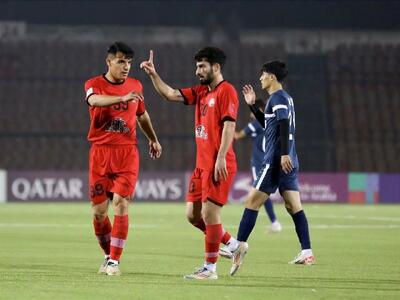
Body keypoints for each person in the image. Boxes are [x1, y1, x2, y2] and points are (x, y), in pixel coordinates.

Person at [141, 47, 240, 280]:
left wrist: (221, 157)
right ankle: (234, 245)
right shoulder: (201, 92)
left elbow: (229, 126)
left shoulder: (227, 91)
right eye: (196, 66)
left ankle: (210, 269)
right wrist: (154, 75)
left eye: (202, 66)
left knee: (209, 214)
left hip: (218, 163)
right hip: (201, 165)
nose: (197, 71)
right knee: (192, 215)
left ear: (216, 67)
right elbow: (170, 94)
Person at [230, 60, 315, 276]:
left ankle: (238, 247)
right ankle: (307, 251)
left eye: (263, 74)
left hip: (276, 159)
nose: (260, 78)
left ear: (272, 77)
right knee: (293, 206)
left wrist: (283, 153)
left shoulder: (277, 97)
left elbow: (284, 124)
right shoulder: (283, 98)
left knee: (251, 202)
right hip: (288, 159)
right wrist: (251, 105)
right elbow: (270, 125)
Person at [84, 42, 162, 276]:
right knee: (98, 212)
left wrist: (153, 139)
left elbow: (142, 115)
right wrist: (122, 96)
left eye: (128, 62)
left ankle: (115, 262)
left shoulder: (136, 86)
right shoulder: (93, 84)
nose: (126, 66)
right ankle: (108, 256)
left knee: (121, 202)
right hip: (100, 152)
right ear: (109, 62)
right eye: (120, 61)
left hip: (127, 152)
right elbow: (94, 101)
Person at [234, 98, 282, 234]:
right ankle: (274, 222)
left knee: (259, 193)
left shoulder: (255, 124)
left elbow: (237, 136)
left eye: (252, 111)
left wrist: (225, 126)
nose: (250, 114)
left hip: (259, 162)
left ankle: (274, 222)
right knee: (263, 193)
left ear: (259, 109)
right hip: (271, 160)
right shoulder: (272, 123)